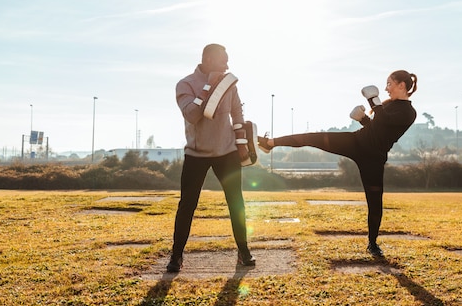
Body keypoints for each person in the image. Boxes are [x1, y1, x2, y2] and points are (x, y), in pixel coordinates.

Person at [258, 70, 418, 257]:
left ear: (402, 85)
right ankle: (270, 143)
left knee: (374, 201)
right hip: (356, 142)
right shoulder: (388, 106)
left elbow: (385, 123)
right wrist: (364, 120)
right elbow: (377, 128)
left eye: (389, 84)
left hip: (373, 158)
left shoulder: (408, 112)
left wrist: (373, 99)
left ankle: (373, 244)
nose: (386, 88)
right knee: (314, 137)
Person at [167, 43, 255, 273]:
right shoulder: (185, 84)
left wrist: (242, 145)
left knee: (237, 203)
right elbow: (193, 115)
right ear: (207, 60)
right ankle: (176, 256)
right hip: (197, 154)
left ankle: (243, 251)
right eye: (222, 60)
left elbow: (237, 113)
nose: (227, 64)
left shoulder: (230, 85)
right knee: (187, 205)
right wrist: (209, 86)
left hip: (227, 152)